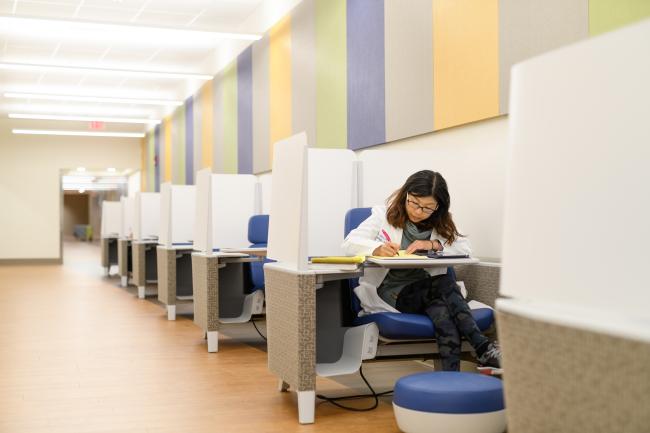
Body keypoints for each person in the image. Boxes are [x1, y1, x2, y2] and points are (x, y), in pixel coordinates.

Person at [341, 170, 501, 371]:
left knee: (443, 314)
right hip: (393, 293)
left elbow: (465, 248)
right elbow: (349, 243)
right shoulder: (382, 215)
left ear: (438, 207)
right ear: (406, 195)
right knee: (443, 283)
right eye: (414, 203)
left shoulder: (441, 223)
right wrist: (375, 248)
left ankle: (450, 382)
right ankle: (482, 346)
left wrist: (433, 244)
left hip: (430, 292)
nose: (418, 211)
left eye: (427, 208)